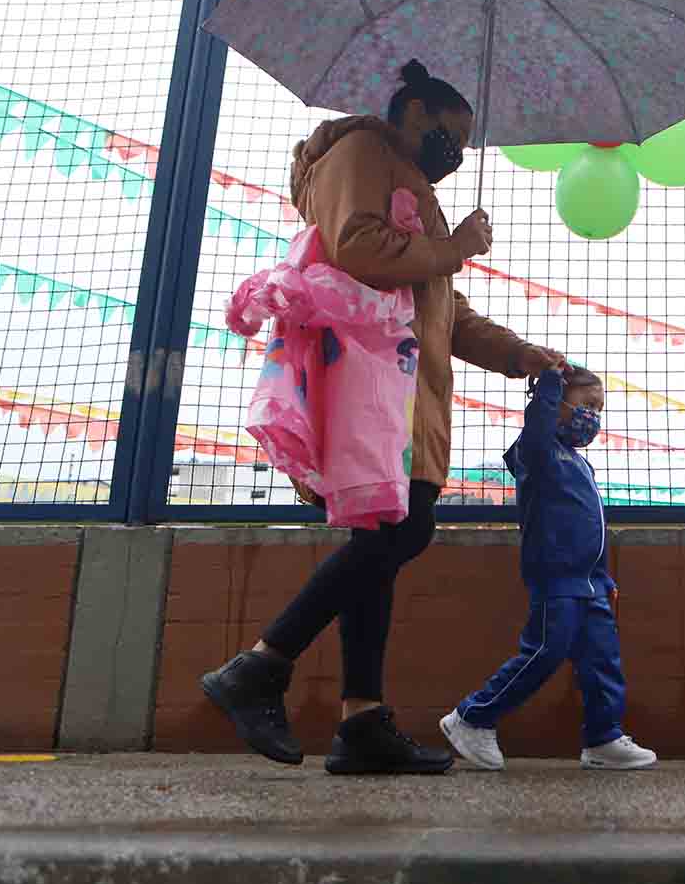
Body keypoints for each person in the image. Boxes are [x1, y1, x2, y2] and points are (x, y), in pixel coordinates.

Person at [201, 60, 565, 775]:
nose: (456, 151)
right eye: (450, 132)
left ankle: (361, 721)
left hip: (409, 397)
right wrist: (455, 246)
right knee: (404, 529)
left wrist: (517, 353)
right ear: (413, 111)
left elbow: (442, 308)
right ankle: (260, 665)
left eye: (466, 142)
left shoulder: (415, 187)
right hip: (373, 391)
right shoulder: (362, 152)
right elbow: (358, 246)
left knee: (382, 548)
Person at [440, 366, 656, 771]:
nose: (593, 416)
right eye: (587, 404)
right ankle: (472, 718)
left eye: (599, 409)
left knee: (602, 660)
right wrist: (551, 381)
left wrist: (603, 578)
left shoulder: (581, 465)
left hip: (590, 584)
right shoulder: (537, 453)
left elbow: (592, 529)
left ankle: (603, 738)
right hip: (556, 578)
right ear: (556, 405)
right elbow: (538, 426)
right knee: (544, 651)